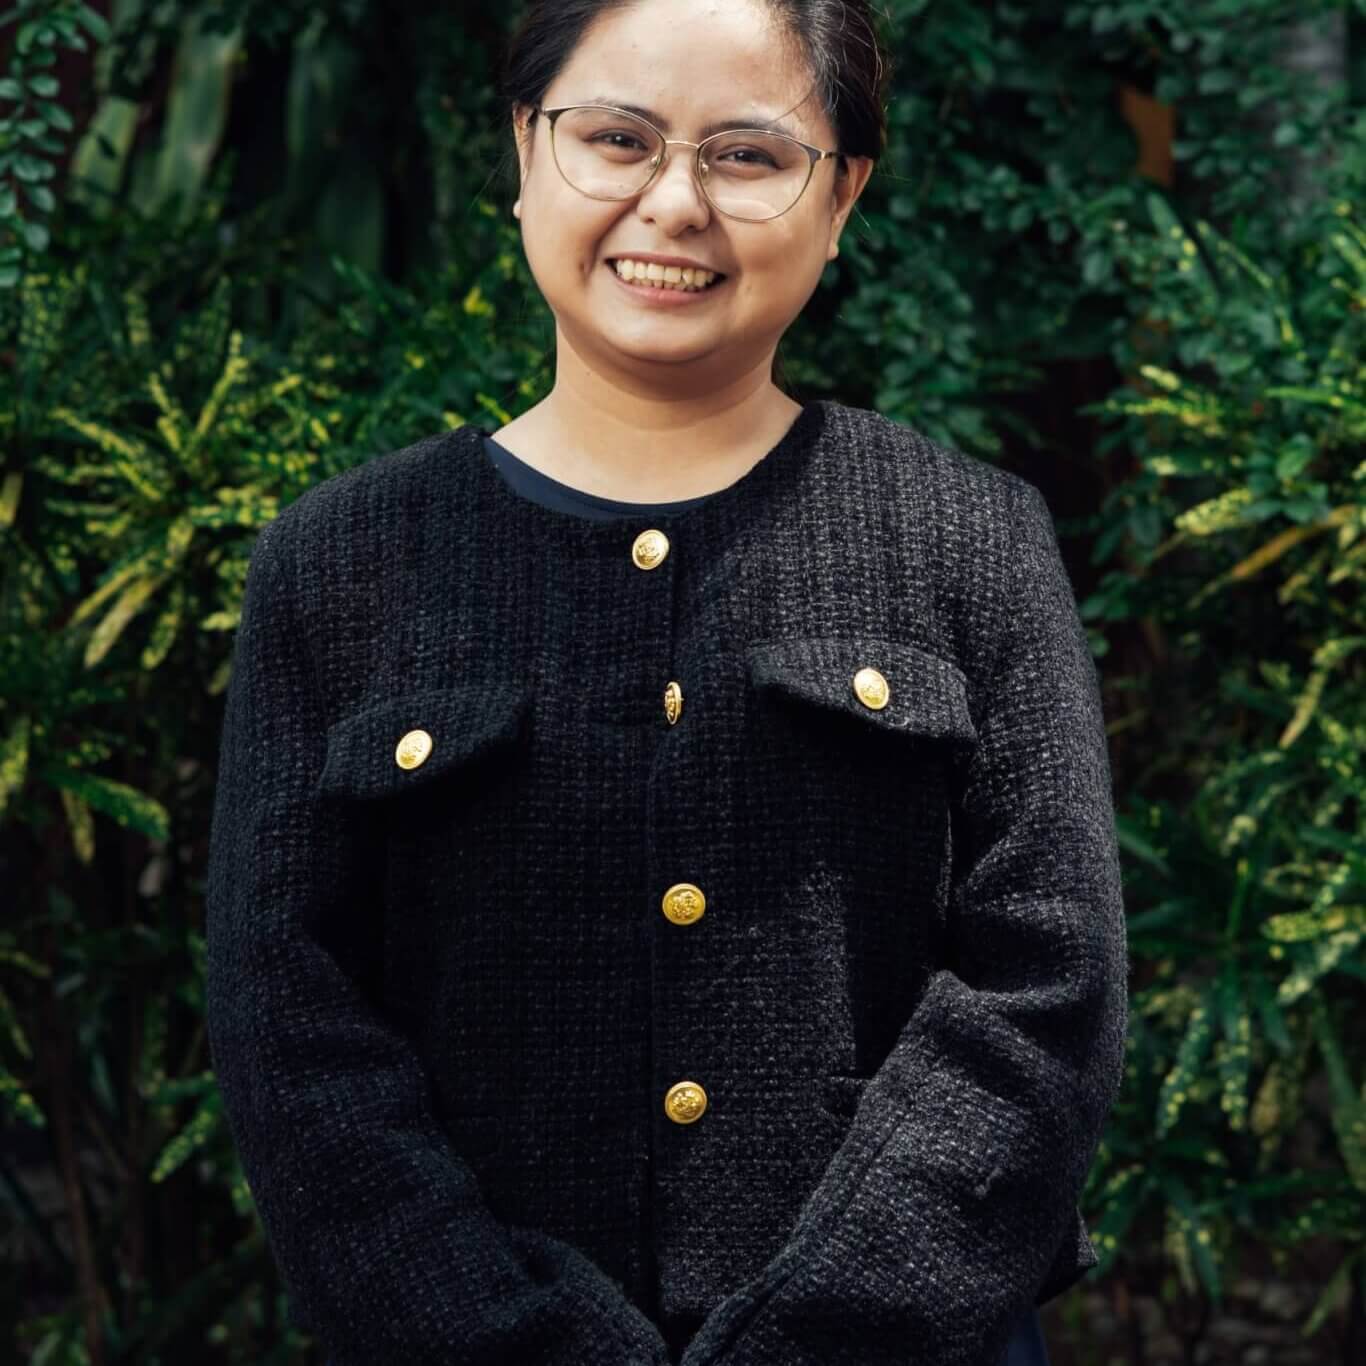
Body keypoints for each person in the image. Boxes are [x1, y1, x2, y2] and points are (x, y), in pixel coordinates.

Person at [204, 2, 1129, 1364]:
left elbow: (1047, 995)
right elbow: (291, 1030)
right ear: (524, 150)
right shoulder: (340, 567)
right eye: (616, 138)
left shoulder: (968, 542)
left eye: (747, 155)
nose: (673, 203)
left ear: (842, 196)